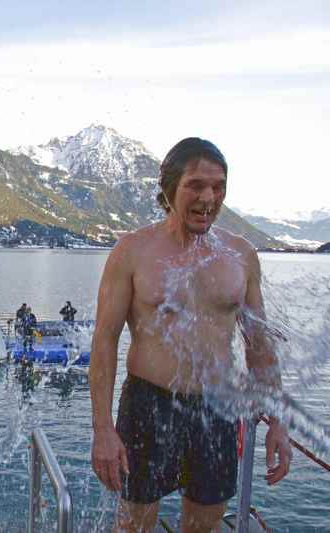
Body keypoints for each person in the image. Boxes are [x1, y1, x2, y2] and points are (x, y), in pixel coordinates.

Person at [89, 138, 291, 532]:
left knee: (205, 524)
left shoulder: (240, 255)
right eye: (195, 185)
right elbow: (105, 340)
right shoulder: (133, 251)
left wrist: (278, 422)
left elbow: (259, 346)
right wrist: (102, 429)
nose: (208, 198)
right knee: (134, 525)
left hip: (216, 408)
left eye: (218, 187)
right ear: (169, 188)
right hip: (148, 403)